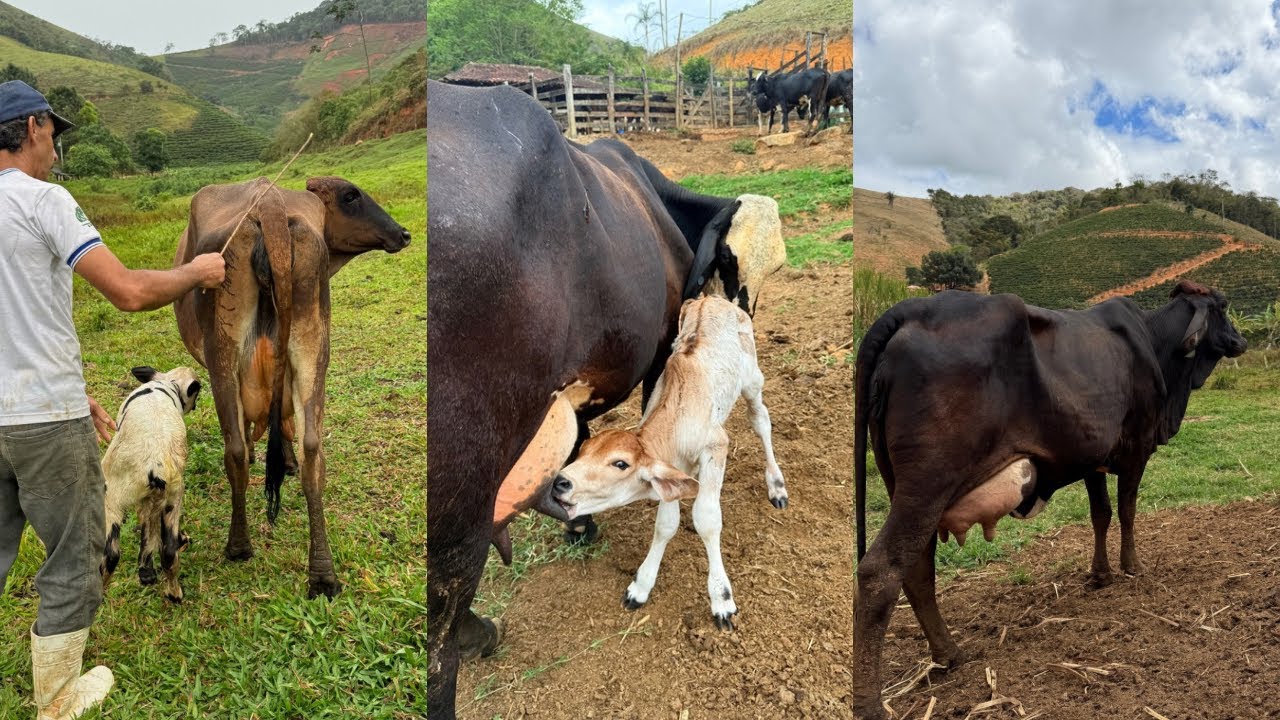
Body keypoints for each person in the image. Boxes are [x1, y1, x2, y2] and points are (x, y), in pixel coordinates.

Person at [0, 80, 225, 720]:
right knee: (77, 555)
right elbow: (126, 290)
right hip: (43, 423)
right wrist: (196, 273)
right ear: (34, 127)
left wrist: (79, 394)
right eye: (55, 133)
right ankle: (56, 698)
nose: (57, 147)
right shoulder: (44, 200)